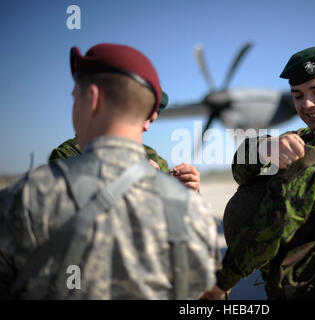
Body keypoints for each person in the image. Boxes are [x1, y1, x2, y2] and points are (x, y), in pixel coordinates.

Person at [0, 43, 220, 299]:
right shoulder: (196, 214)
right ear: (149, 116)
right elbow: (202, 292)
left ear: (92, 99)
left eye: (75, 97)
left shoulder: (24, 198)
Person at [202, 46, 315, 300]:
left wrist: (224, 280)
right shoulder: (308, 137)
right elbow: (239, 167)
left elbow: (286, 208)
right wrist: (264, 147)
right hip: (309, 286)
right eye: (297, 95)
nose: (307, 104)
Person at [49, 91, 201, 192]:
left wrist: (187, 191)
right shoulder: (71, 154)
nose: (146, 127)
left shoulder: (151, 156)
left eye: (151, 121)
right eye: (143, 117)